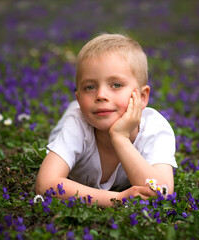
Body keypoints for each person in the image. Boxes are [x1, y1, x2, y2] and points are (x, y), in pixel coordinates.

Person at [35, 33, 177, 207]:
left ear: (142, 97)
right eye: (90, 87)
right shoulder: (77, 124)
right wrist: (116, 199)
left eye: (116, 85)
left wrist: (120, 138)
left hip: (95, 113)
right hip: (76, 120)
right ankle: (74, 106)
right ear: (79, 98)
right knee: (72, 117)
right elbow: (45, 184)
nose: (101, 95)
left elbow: (161, 192)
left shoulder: (155, 127)